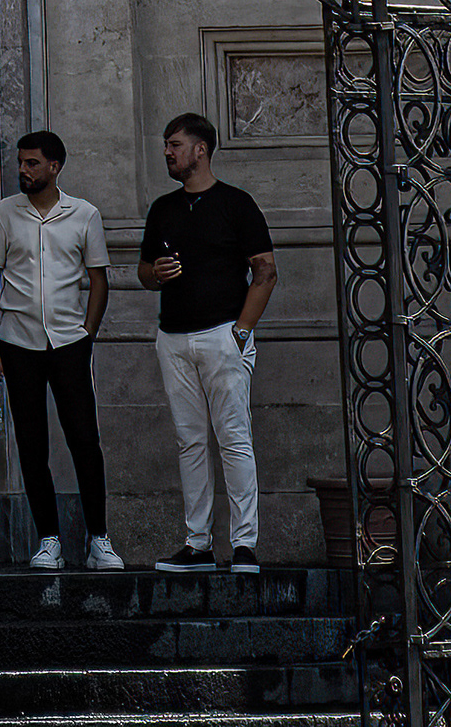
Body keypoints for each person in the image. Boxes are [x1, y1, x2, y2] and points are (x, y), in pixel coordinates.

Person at [136, 115, 276, 569]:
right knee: (190, 442)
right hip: (173, 337)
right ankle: (197, 544)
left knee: (233, 438)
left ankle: (244, 544)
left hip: (222, 334)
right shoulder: (163, 208)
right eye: (165, 144)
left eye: (174, 144)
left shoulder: (236, 204)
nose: (167, 152)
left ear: (201, 149)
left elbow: (265, 270)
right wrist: (154, 274)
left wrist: (240, 332)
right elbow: (143, 272)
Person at [0, 130, 119, 575]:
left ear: (55, 166)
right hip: (18, 343)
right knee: (31, 443)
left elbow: (99, 278)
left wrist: (87, 333)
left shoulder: (84, 214)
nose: (24, 170)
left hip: (69, 342)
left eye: (33, 163)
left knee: (84, 440)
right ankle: (49, 540)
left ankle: (99, 539)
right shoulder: (3, 214)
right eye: (21, 162)